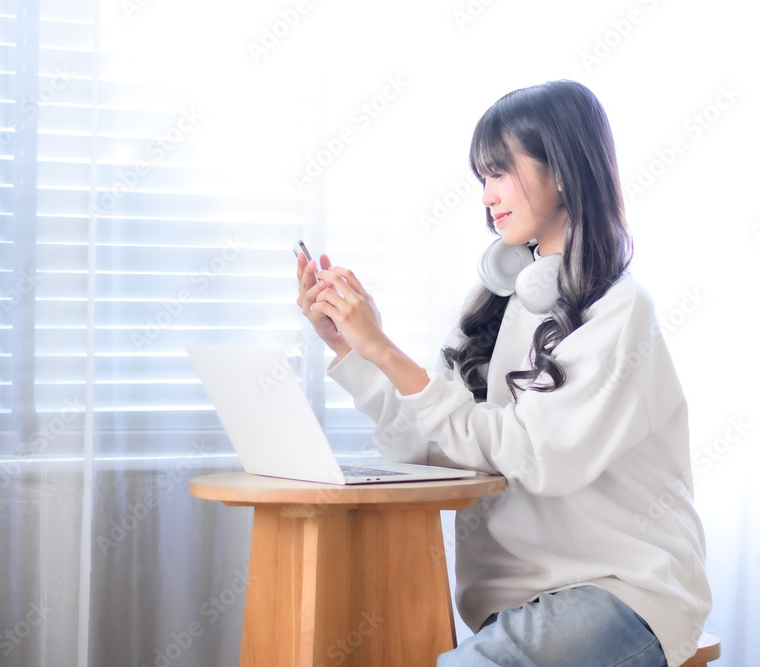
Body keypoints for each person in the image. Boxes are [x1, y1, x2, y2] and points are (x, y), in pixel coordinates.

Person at [294, 79, 712, 667]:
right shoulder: (498, 303)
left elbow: (537, 457)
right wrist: (353, 350)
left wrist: (385, 350)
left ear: (560, 170)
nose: (487, 196)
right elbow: (428, 444)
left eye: (498, 172)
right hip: (513, 600)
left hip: (621, 590)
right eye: (482, 179)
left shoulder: (620, 309)